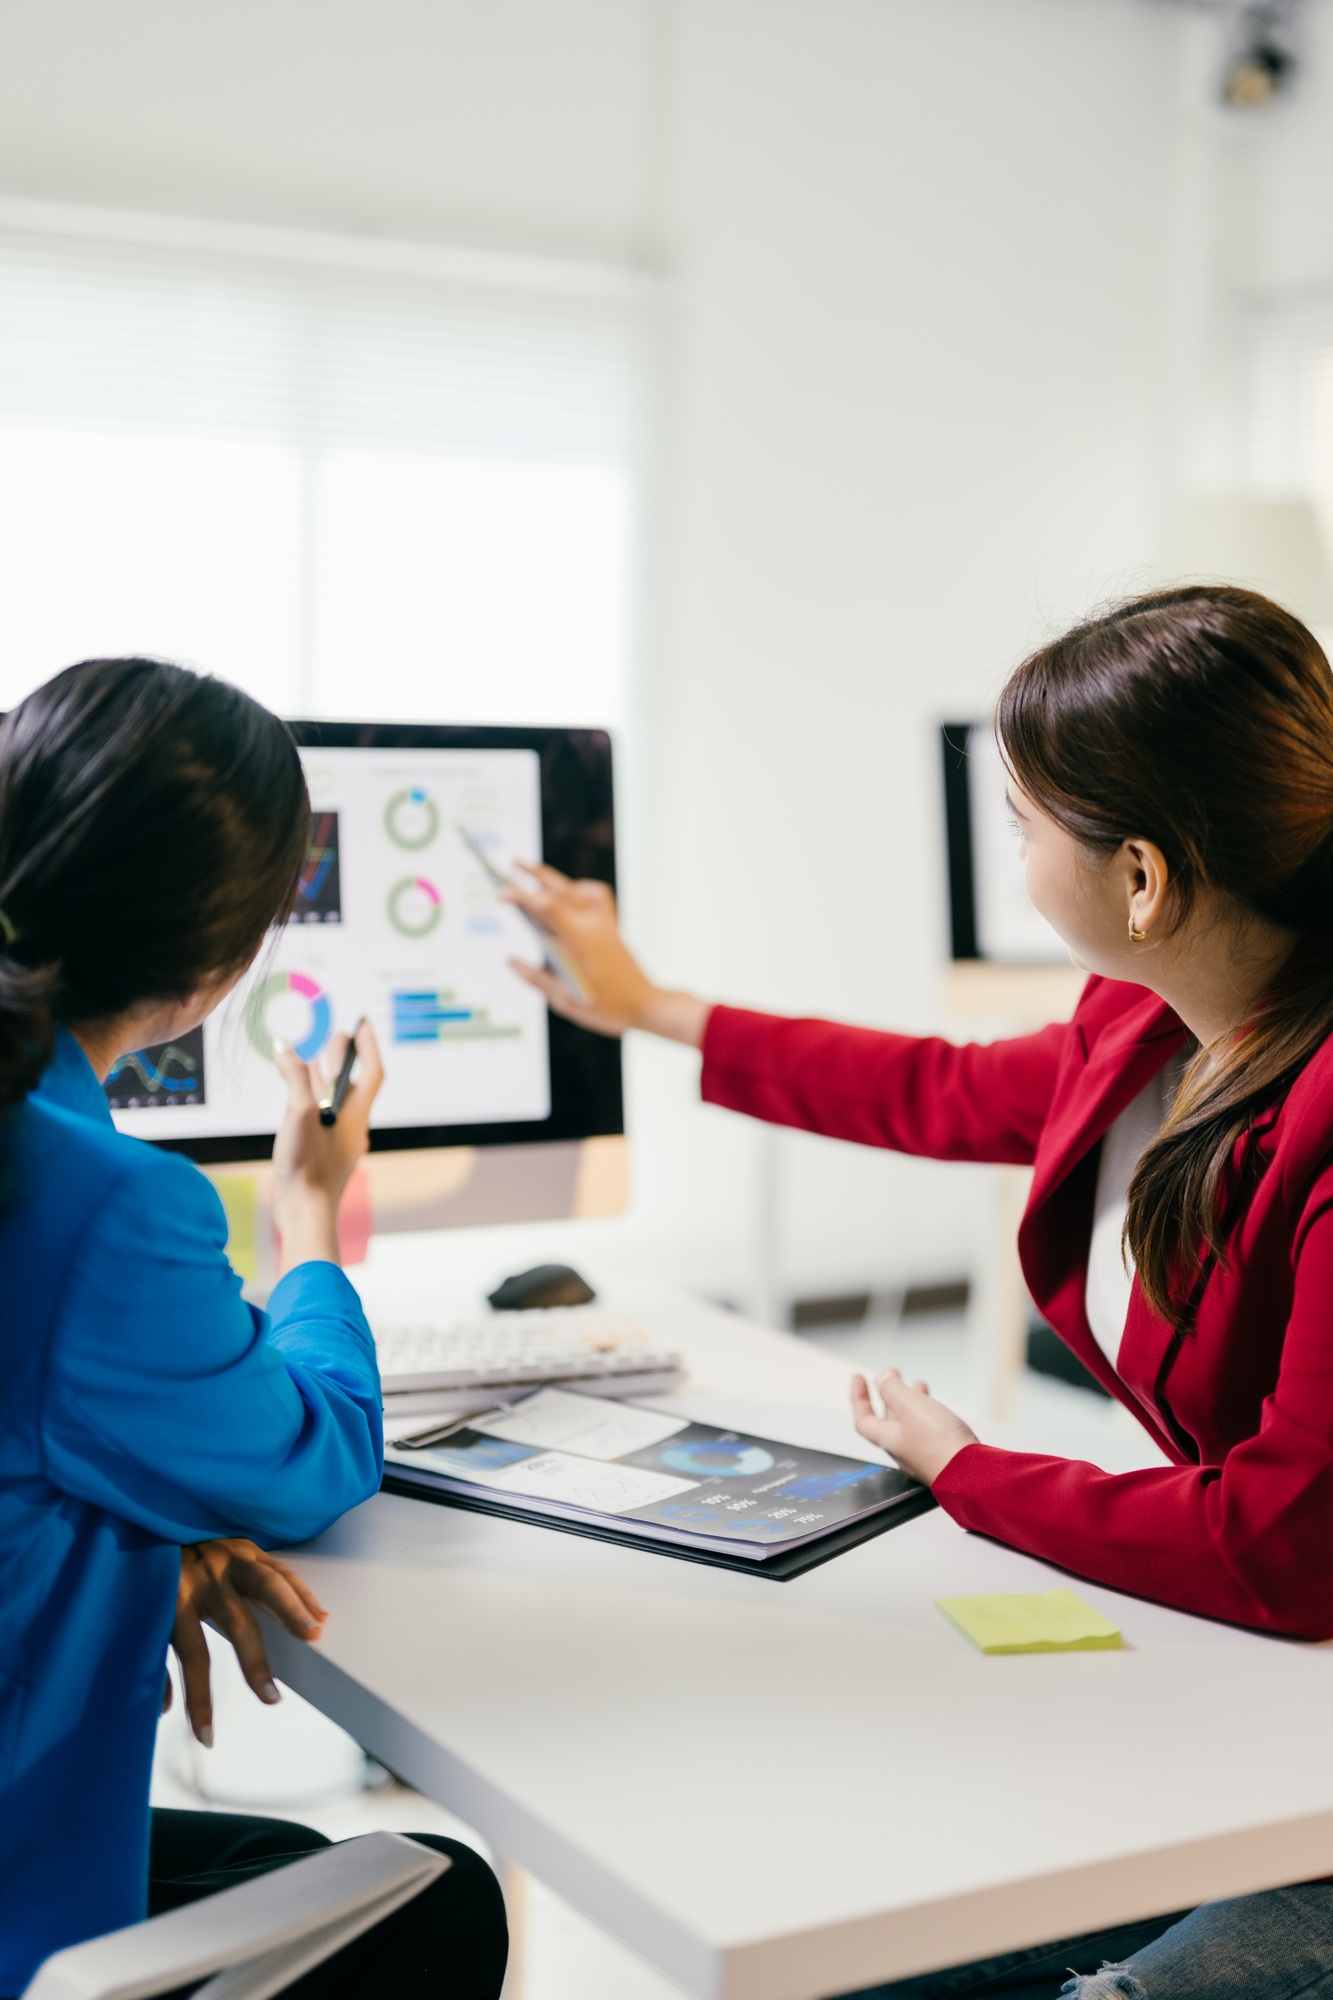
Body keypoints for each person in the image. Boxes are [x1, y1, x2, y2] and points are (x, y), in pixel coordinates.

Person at [504, 585, 1333, 1998]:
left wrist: (968, 1469)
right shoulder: (1148, 1021)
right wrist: (649, 1008)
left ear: (1139, 878)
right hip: (1270, 1693)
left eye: (1023, 825)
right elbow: (935, 1089)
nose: (1015, 854)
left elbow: (1279, 1542)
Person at [0, 658, 507, 2000]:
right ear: (214, 970)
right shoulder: (99, 1204)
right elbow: (314, 1454)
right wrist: (307, 1217)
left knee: (279, 1857)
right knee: (442, 1896)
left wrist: (136, 1524)